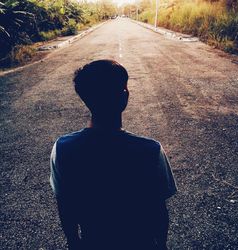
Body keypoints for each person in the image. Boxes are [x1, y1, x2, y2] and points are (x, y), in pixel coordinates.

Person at [50, 59, 177, 250]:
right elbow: (158, 210)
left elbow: (65, 205)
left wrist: (74, 243)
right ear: (124, 96)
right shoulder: (150, 150)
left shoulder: (63, 148)